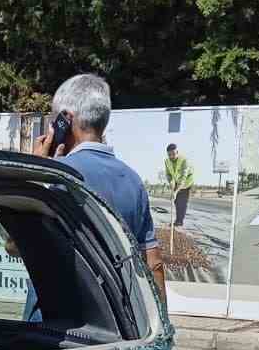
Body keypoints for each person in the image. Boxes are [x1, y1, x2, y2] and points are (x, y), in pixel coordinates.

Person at [30, 73, 166, 305]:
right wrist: (161, 324)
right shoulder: (133, 180)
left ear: (66, 119)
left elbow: (15, 244)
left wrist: (34, 173)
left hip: (56, 319)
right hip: (117, 319)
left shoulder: (55, 176)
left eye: (54, 120)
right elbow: (153, 264)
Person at [163, 141, 195, 229]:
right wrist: (171, 183)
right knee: (176, 201)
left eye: (173, 154)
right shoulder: (167, 161)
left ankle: (179, 222)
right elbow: (168, 174)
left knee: (182, 202)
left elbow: (183, 177)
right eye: (169, 155)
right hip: (177, 181)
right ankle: (177, 220)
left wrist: (176, 191)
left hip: (186, 182)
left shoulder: (184, 160)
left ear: (177, 152)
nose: (171, 156)